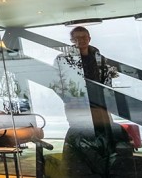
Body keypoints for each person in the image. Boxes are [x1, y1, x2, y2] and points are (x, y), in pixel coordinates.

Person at [53, 25, 124, 176]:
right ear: (72, 40)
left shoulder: (99, 58)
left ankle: (104, 167)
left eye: (84, 37)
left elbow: (107, 81)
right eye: (77, 38)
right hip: (76, 104)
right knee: (81, 134)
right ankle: (82, 168)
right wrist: (69, 99)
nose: (81, 41)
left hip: (99, 103)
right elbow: (55, 82)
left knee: (103, 132)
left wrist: (107, 100)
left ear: (89, 38)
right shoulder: (63, 59)